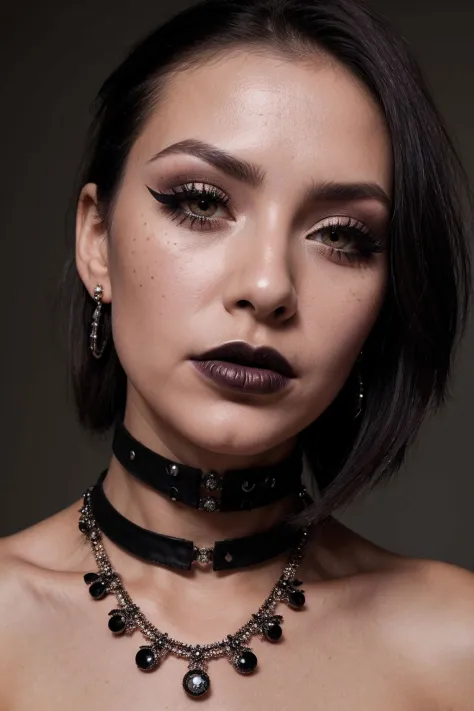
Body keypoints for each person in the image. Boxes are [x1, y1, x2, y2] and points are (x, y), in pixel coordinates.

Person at [1, 0, 473, 707]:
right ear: (97, 241)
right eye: (199, 201)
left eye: (342, 236)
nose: (268, 286)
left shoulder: (455, 643)